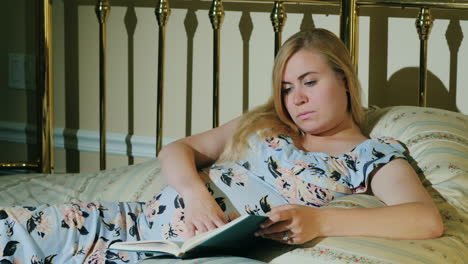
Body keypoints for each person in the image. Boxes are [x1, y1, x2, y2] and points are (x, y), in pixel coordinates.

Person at [0, 28, 443, 263]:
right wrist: (194, 194)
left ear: (345, 81)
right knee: (12, 230)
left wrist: (319, 221)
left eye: (310, 82)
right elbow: (177, 149)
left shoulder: (371, 155)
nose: (298, 98)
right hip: (130, 226)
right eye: (287, 87)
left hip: (186, 254)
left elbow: (424, 220)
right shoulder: (268, 124)